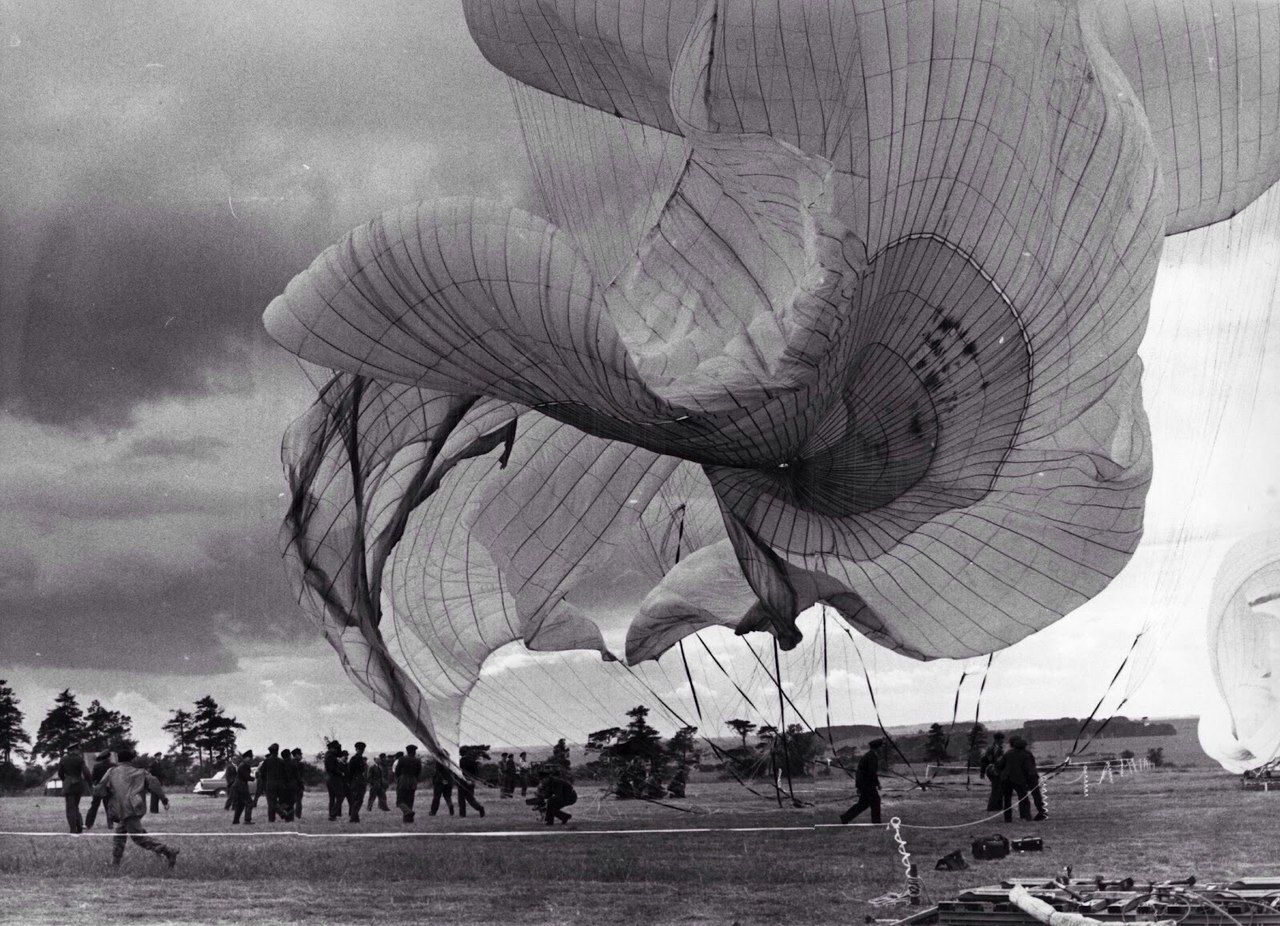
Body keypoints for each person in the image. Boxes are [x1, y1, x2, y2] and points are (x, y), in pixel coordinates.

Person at [92, 748, 177, 868]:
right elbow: (155, 783)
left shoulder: (112, 771)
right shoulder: (140, 772)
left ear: (119, 760)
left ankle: (169, 851)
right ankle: (115, 863)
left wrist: (104, 792)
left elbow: (99, 788)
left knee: (138, 838)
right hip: (136, 807)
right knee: (119, 835)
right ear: (130, 760)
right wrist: (164, 800)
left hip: (125, 809)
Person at [840, 739, 883, 825]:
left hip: (864, 783)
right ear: (878, 748)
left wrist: (859, 786)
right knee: (875, 801)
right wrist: (878, 784)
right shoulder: (872, 756)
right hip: (867, 784)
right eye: (880, 747)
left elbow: (863, 771)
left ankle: (845, 817)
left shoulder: (868, 755)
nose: (881, 749)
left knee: (863, 803)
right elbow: (872, 772)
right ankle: (876, 823)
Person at [1000, 736, 1039, 823]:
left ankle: (1007, 819)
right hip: (1018, 779)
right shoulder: (1025, 755)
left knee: (1007, 799)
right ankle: (1026, 816)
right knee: (1023, 798)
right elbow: (1029, 769)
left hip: (1005, 779)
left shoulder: (1007, 753)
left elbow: (1000, 765)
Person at [57, 748, 91, 833]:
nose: (78, 751)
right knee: (76, 807)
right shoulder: (79, 759)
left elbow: (60, 773)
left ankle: (73, 828)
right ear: (74, 750)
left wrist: (65, 780)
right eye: (77, 750)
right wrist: (89, 782)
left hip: (68, 785)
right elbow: (86, 772)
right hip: (78, 785)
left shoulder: (63, 759)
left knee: (70, 808)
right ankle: (79, 827)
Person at [84, 750, 116, 829]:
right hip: (109, 789)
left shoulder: (96, 766)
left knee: (94, 807)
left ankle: (88, 824)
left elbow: (93, 778)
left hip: (99, 788)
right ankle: (110, 824)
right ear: (109, 757)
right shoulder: (114, 766)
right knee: (108, 807)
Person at [256, 743, 287, 822]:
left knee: (271, 802)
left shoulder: (266, 761)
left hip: (270, 784)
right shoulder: (281, 761)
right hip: (280, 784)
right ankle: (272, 819)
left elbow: (262, 773)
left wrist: (264, 781)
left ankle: (280, 814)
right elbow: (285, 773)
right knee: (274, 802)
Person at [394, 745, 424, 823]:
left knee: (400, 801)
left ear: (407, 751)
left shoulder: (402, 759)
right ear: (414, 751)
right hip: (413, 781)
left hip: (403, 780)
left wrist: (399, 779)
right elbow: (419, 772)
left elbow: (397, 771)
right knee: (410, 801)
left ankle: (408, 812)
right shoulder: (417, 760)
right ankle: (408, 820)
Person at [979, 732, 1006, 812]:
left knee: (1000, 789)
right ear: (998, 739)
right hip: (994, 771)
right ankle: (992, 807)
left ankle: (998, 807)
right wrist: (982, 772)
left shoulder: (997, 748)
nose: (1003, 741)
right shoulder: (993, 749)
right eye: (1001, 739)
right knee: (996, 789)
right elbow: (985, 760)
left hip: (996, 771)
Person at [456, 748, 486, 818]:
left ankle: (462, 814)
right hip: (471, 782)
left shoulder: (460, 761)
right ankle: (479, 808)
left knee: (461, 799)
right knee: (470, 798)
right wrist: (473, 780)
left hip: (462, 782)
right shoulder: (472, 761)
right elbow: (476, 772)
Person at [346, 742, 369, 822]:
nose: (361, 751)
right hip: (356, 781)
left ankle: (355, 816)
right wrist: (349, 782)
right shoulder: (354, 759)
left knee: (359, 799)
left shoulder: (361, 759)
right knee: (357, 799)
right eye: (360, 749)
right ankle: (353, 817)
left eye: (362, 749)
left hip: (360, 781)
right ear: (356, 749)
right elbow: (350, 772)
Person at [231, 750, 255, 825]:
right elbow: (245, 776)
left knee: (240, 804)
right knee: (249, 803)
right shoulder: (244, 765)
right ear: (246, 758)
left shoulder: (242, 765)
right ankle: (247, 820)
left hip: (238, 785)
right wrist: (253, 778)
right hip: (241, 786)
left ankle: (236, 820)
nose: (251, 759)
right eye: (250, 758)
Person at [324, 741, 346, 821]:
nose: (337, 750)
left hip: (329, 778)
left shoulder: (328, 754)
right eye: (336, 748)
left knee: (332, 798)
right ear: (333, 748)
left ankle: (332, 815)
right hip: (333, 778)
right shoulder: (331, 756)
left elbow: (339, 754)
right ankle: (333, 814)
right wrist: (341, 773)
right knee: (340, 796)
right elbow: (332, 768)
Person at [290, 748, 306, 818]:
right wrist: (302, 785)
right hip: (298, 784)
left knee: (290, 801)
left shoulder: (289, 763)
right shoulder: (300, 764)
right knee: (298, 801)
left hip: (290, 784)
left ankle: (289, 814)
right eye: (300, 755)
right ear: (296, 755)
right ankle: (298, 815)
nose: (301, 756)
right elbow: (301, 776)